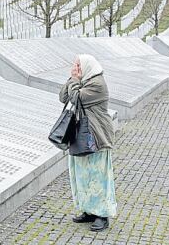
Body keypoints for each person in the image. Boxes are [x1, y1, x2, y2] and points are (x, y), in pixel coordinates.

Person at [59, 54, 117, 232]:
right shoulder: (82, 81)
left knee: (98, 176)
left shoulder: (97, 84)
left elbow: (76, 98)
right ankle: (89, 210)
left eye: (78, 65)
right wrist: (72, 78)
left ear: (87, 66)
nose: (76, 68)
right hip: (81, 136)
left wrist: (75, 80)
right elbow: (63, 97)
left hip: (96, 137)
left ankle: (102, 215)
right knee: (82, 176)